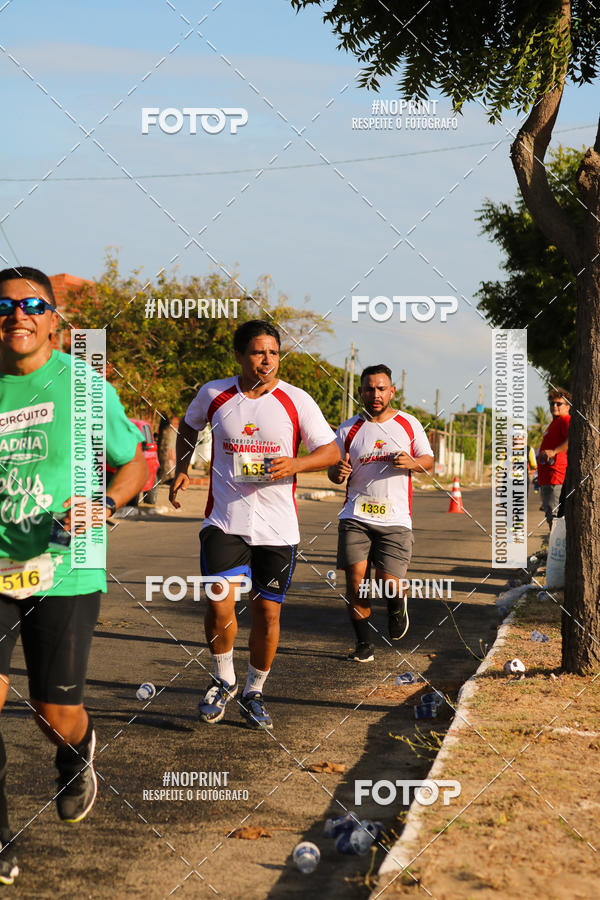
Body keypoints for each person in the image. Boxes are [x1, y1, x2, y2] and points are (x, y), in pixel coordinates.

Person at [0, 266, 147, 883]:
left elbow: (135, 461)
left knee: (50, 710)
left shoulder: (84, 388)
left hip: (65, 565)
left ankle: (75, 752)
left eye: (33, 304)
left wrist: (106, 503)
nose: (17, 316)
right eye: (4, 307)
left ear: (54, 318)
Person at [169, 320, 338, 730]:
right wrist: (180, 468)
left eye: (274, 353)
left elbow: (331, 451)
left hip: (278, 529)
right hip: (225, 520)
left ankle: (254, 690)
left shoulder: (297, 401)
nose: (267, 360)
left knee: (267, 615)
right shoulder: (214, 393)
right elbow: (189, 426)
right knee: (218, 602)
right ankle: (223, 677)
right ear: (240, 356)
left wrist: (297, 463)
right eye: (259, 353)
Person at [328, 365, 434, 662]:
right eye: (369, 389)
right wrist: (337, 471)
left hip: (396, 519)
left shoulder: (408, 423)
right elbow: (334, 472)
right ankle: (364, 645)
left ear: (392, 391)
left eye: (380, 388)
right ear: (360, 391)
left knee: (388, 581)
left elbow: (429, 461)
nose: (375, 394)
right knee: (356, 583)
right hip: (355, 517)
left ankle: (397, 602)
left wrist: (413, 462)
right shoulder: (348, 428)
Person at [537, 388, 571, 527]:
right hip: (547, 477)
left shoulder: (565, 420)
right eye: (552, 404)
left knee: (556, 516)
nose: (554, 406)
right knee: (550, 514)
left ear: (568, 406)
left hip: (556, 476)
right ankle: (554, 547)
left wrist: (555, 451)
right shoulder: (554, 422)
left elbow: (572, 439)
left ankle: (558, 548)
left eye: (559, 404)